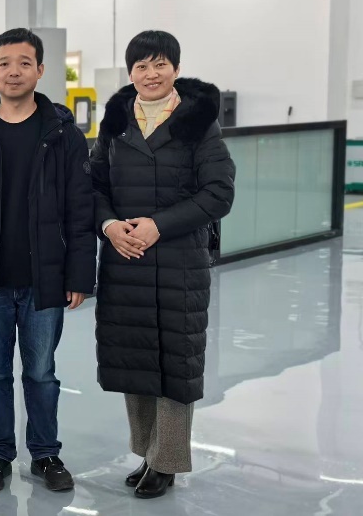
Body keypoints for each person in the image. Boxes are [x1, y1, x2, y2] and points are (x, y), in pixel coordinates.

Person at [0, 28, 97, 493]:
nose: (14, 71)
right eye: (5, 63)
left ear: (41, 70)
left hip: (44, 278)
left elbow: (81, 209)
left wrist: (79, 275)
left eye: (24, 63)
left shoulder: (64, 135)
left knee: (42, 374)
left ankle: (46, 454)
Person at [90, 30, 236, 499]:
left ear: (175, 68)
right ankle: (147, 452)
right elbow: (93, 187)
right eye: (141, 66)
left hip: (179, 261)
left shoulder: (198, 123)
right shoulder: (115, 122)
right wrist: (109, 226)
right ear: (130, 72)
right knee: (134, 356)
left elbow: (219, 192)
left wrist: (159, 225)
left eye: (160, 65)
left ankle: (167, 460)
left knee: (176, 360)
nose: (150, 74)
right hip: (125, 257)